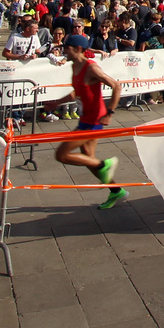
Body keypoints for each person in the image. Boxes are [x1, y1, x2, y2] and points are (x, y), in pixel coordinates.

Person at [55, 34, 126, 209]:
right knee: (88, 159)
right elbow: (77, 92)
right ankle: (116, 190)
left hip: (95, 120)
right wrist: (55, 103)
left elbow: (116, 86)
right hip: (85, 118)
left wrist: (110, 112)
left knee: (61, 155)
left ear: (78, 49)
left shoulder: (91, 68)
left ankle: (105, 164)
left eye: (67, 47)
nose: (64, 50)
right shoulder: (75, 66)